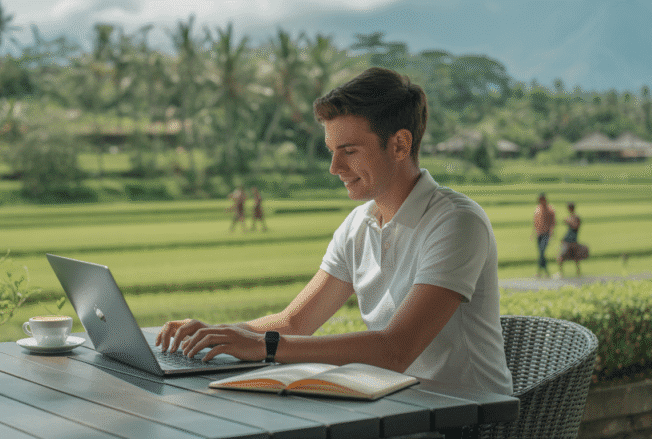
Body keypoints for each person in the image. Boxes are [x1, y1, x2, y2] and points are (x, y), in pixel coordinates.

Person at [156, 67, 513, 395]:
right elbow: (295, 321)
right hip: (394, 406)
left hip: (467, 418)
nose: (334, 167)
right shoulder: (358, 225)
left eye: (349, 151)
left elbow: (395, 350)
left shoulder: (456, 223)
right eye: (331, 151)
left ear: (400, 145)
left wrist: (264, 345)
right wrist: (215, 335)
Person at [557, 202, 587, 276]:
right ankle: (562, 272)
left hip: (572, 240)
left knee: (570, 256)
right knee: (566, 256)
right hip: (569, 240)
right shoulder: (571, 217)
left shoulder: (576, 217)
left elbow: (575, 226)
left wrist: (569, 222)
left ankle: (576, 272)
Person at [533, 193, 555, 278]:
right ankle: (545, 272)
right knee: (541, 253)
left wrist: (552, 233)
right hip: (539, 233)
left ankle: (540, 272)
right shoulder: (537, 209)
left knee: (542, 252)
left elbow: (553, 222)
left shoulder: (550, 209)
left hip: (546, 233)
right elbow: (535, 222)